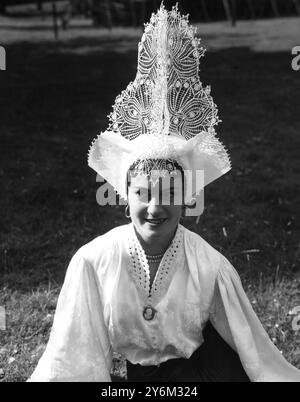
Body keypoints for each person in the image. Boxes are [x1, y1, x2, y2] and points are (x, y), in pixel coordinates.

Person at [28, 4, 300, 382]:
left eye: (169, 193)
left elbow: (252, 349)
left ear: (188, 198)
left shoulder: (211, 266)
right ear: (125, 198)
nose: (155, 207)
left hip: (205, 370)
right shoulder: (94, 262)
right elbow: (74, 357)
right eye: (143, 193)